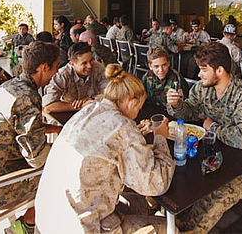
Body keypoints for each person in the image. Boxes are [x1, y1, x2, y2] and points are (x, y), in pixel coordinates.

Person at [36, 63, 175, 233]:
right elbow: (156, 183)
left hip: (48, 215)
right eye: (139, 107)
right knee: (171, 229)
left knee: (139, 203)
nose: (138, 113)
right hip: (82, 227)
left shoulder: (89, 111)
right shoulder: (123, 127)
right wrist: (160, 136)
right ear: (131, 101)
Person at [166, 42, 242, 233]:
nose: (199, 75)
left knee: (215, 194)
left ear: (219, 70)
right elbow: (190, 112)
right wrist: (177, 104)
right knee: (179, 176)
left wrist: (213, 127)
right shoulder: (203, 89)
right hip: (212, 154)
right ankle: (175, 223)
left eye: (203, 70)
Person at [0, 41, 62, 234]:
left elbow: (21, 127)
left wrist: (53, 128)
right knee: (61, 174)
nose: (56, 73)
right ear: (44, 67)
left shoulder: (13, 85)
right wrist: (63, 150)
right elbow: (36, 159)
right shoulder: (27, 97)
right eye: (55, 67)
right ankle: (25, 226)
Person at [43, 42, 108, 113]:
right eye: (84, 63)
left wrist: (92, 99)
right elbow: (49, 106)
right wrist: (78, 106)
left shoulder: (98, 67)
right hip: (69, 113)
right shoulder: (62, 75)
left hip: (95, 110)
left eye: (91, 60)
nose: (89, 66)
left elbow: (109, 93)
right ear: (72, 64)